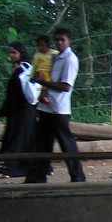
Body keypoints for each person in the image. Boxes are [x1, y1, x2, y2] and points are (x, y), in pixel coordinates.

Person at [25, 27, 85, 183]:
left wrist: (43, 82)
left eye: (62, 40)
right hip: (47, 106)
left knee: (67, 144)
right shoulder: (55, 57)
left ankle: (78, 177)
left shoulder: (70, 60)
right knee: (42, 144)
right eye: (57, 39)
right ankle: (37, 176)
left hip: (59, 109)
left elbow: (65, 86)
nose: (59, 42)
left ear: (69, 41)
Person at [0, 41, 38, 178]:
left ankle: (10, 169)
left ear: (21, 53)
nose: (11, 55)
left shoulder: (25, 68)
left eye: (14, 52)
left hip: (24, 111)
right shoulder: (18, 68)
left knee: (18, 139)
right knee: (14, 137)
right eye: (10, 52)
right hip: (16, 111)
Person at [31, 34, 57, 108]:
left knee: (47, 84)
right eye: (38, 45)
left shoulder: (54, 53)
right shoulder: (37, 55)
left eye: (42, 45)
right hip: (41, 72)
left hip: (50, 72)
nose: (40, 47)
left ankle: (43, 98)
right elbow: (34, 66)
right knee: (44, 84)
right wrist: (32, 76)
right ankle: (41, 98)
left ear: (47, 45)